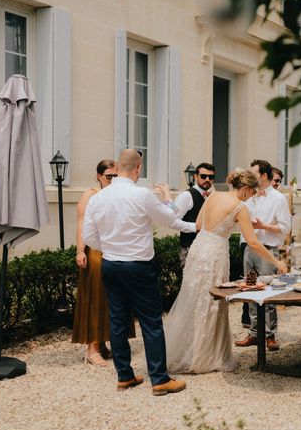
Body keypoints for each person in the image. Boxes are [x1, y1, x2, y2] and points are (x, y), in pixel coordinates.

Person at [82, 149, 196, 396]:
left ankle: (124, 376)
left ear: (118, 167)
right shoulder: (141, 194)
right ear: (138, 168)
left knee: (118, 320)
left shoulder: (98, 198)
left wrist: (111, 249)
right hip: (138, 266)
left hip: (111, 265)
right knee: (151, 321)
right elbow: (169, 217)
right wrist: (177, 208)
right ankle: (160, 379)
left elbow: (89, 236)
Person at [165, 169, 288, 373]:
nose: (251, 197)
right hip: (215, 254)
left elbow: (197, 224)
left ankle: (185, 351)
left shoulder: (213, 195)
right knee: (211, 303)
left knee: (193, 298)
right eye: (252, 193)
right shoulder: (240, 207)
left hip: (198, 248)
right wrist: (277, 261)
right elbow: (254, 242)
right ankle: (205, 356)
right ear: (246, 189)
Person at [72, 159, 134, 366]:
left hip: (116, 250)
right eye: (109, 176)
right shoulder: (90, 195)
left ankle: (107, 342)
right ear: (99, 176)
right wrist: (80, 251)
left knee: (115, 299)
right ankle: (92, 348)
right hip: (96, 251)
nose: (112, 180)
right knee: (96, 298)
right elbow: (81, 223)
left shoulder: (118, 194)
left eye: (116, 176)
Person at [235, 159, 290, 351]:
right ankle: (254, 333)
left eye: (254, 174)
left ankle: (270, 335)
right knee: (249, 290)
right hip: (249, 248)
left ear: (264, 176)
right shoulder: (248, 196)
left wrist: (263, 226)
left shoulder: (279, 199)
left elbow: (284, 228)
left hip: (267, 249)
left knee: (268, 292)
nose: (250, 177)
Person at [174, 162, 215, 268]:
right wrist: (194, 227)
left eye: (211, 177)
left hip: (207, 250)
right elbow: (172, 220)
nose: (207, 179)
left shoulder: (211, 196)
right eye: (203, 176)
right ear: (195, 176)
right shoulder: (186, 196)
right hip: (190, 250)